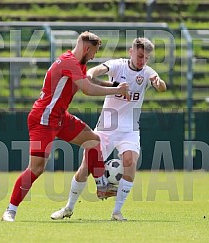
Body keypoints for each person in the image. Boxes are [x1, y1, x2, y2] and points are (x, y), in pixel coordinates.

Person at [1, 31, 130, 222]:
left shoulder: (78, 64)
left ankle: (102, 186)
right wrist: (115, 90)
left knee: (93, 141)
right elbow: (87, 89)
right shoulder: (69, 61)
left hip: (60, 118)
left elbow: (90, 80)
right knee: (36, 168)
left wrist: (115, 85)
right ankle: (10, 210)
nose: (94, 56)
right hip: (43, 119)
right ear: (87, 48)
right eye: (94, 52)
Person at [50, 37, 166, 221]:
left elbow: (161, 87)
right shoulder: (117, 65)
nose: (142, 60)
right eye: (140, 55)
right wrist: (92, 74)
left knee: (130, 162)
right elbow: (96, 70)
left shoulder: (147, 73)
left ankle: (117, 212)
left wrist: (158, 82)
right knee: (86, 167)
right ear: (131, 51)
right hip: (106, 127)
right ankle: (68, 208)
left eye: (146, 58)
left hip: (129, 129)